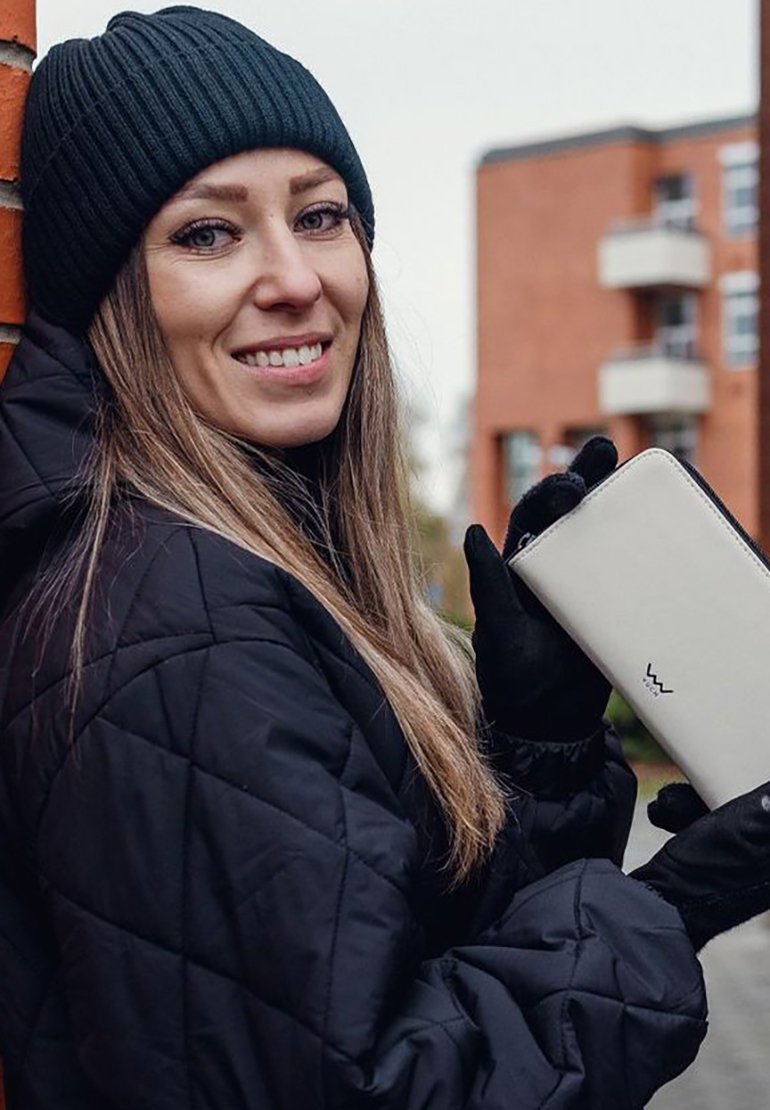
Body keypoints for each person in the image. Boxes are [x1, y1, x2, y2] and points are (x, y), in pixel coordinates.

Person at [0, 7, 768, 1108]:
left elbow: (396, 969)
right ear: (111, 297)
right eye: (207, 233)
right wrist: (673, 907)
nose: (294, 277)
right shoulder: (171, 624)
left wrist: (542, 744)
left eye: (320, 216)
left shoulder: (237, 566)